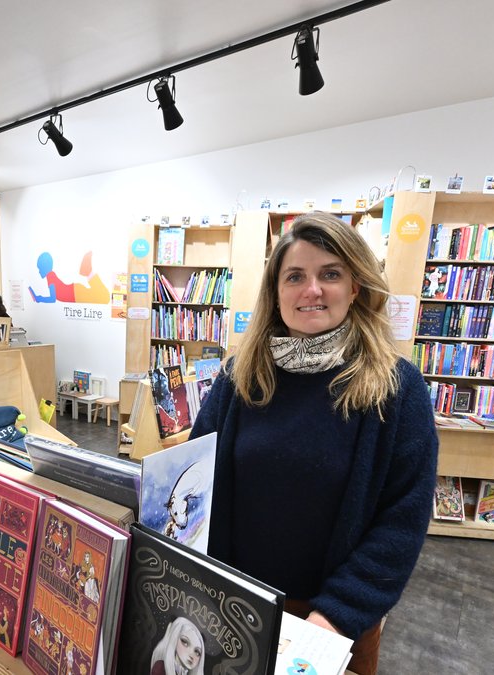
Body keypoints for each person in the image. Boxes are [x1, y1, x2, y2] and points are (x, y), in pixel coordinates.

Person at [190, 211, 437, 675]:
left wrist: (332, 618)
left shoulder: (397, 388)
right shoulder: (238, 376)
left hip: (331, 625)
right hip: (231, 605)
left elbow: (402, 521)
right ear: (276, 292)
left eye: (330, 274)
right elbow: (194, 476)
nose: (312, 290)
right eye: (295, 276)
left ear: (356, 287)